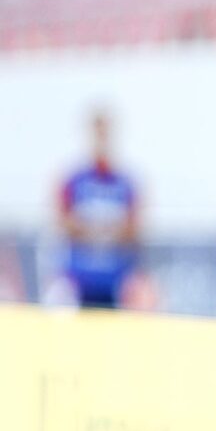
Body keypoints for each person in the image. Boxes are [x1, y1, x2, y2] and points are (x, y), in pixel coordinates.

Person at [58, 110, 138, 309]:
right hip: (80, 282)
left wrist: (104, 229)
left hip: (115, 283)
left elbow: (134, 229)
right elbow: (63, 223)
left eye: (105, 133)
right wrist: (96, 228)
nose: (101, 140)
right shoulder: (74, 180)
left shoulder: (125, 183)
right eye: (97, 133)